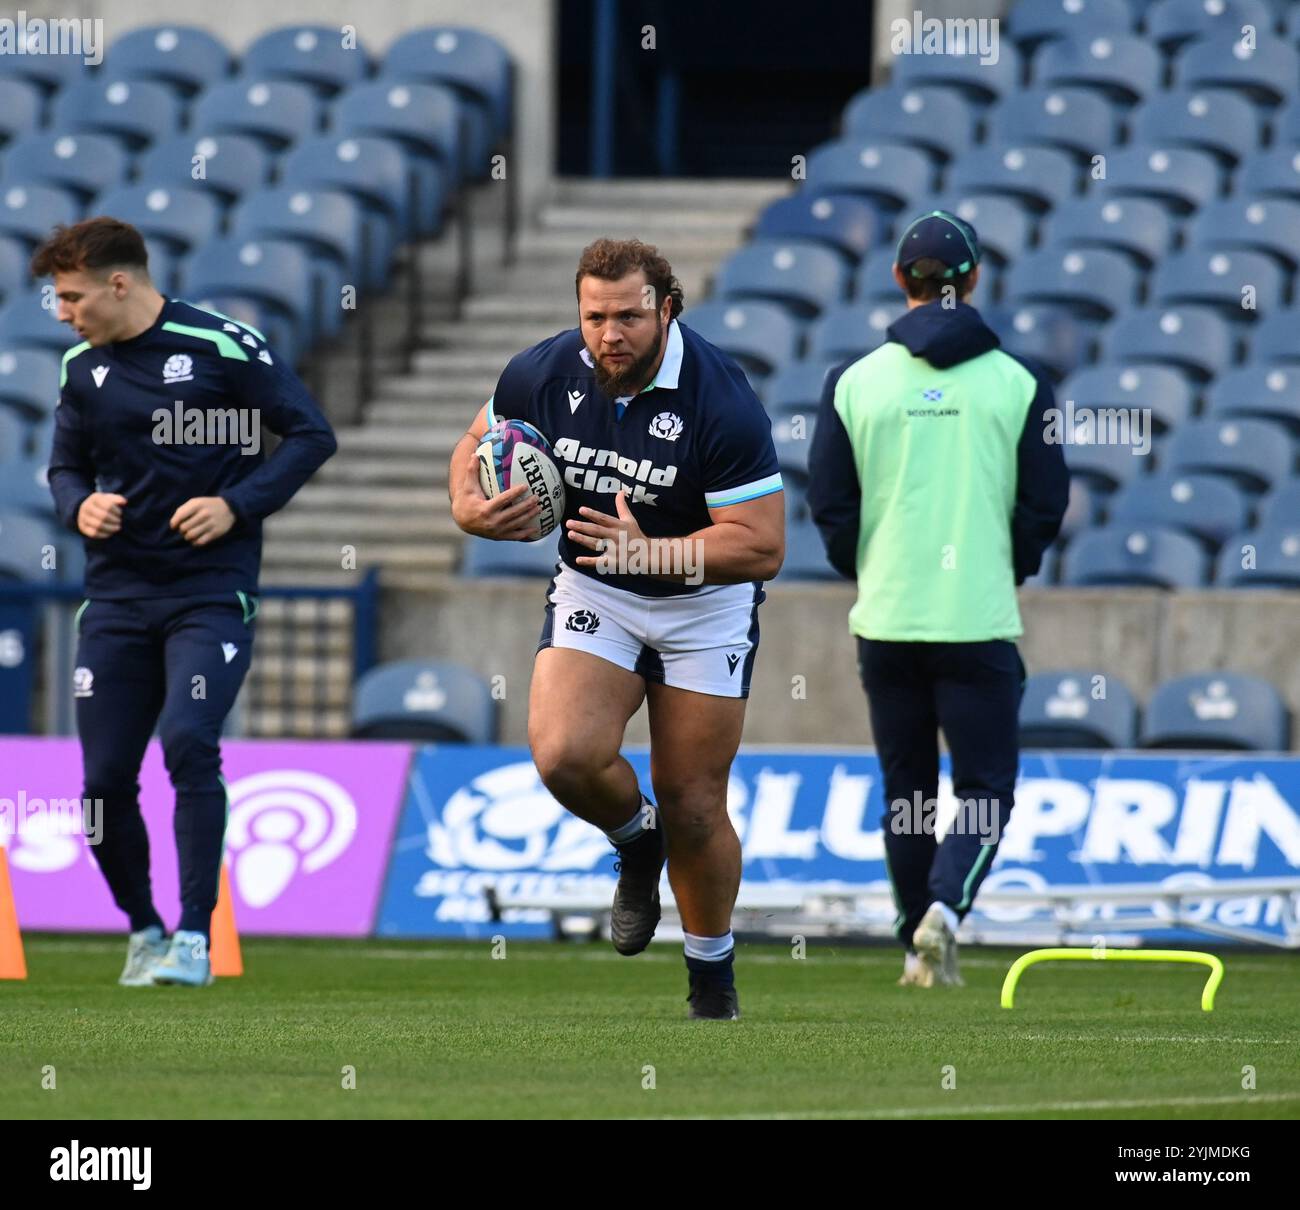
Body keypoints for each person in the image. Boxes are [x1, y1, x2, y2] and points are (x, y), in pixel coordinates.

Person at [448, 239, 784, 1019]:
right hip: (598, 585)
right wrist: (467, 506)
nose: (610, 334)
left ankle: (711, 979)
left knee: (693, 802)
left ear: (666, 309)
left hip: (705, 602)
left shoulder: (720, 397)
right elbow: (475, 442)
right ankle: (637, 841)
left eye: (628, 316)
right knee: (564, 755)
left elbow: (763, 546)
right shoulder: (542, 372)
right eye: (594, 317)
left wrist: (654, 551)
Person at [38, 217, 337, 987]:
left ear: (119, 284)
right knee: (103, 783)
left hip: (208, 592)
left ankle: (196, 938)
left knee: (187, 740)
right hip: (115, 597)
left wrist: (237, 505)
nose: (62, 313)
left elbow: (310, 434)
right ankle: (144, 929)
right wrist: (78, 506)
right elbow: (65, 467)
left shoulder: (220, 345)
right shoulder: (80, 367)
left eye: (71, 297)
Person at [808, 210, 1069, 988]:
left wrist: (871, 567)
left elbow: (830, 504)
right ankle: (945, 911)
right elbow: (1045, 505)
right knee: (985, 787)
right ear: (975, 279)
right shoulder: (1020, 383)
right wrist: (1006, 565)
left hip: (887, 618)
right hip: (975, 618)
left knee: (907, 792)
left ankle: (911, 942)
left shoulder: (853, 381)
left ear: (900, 279)